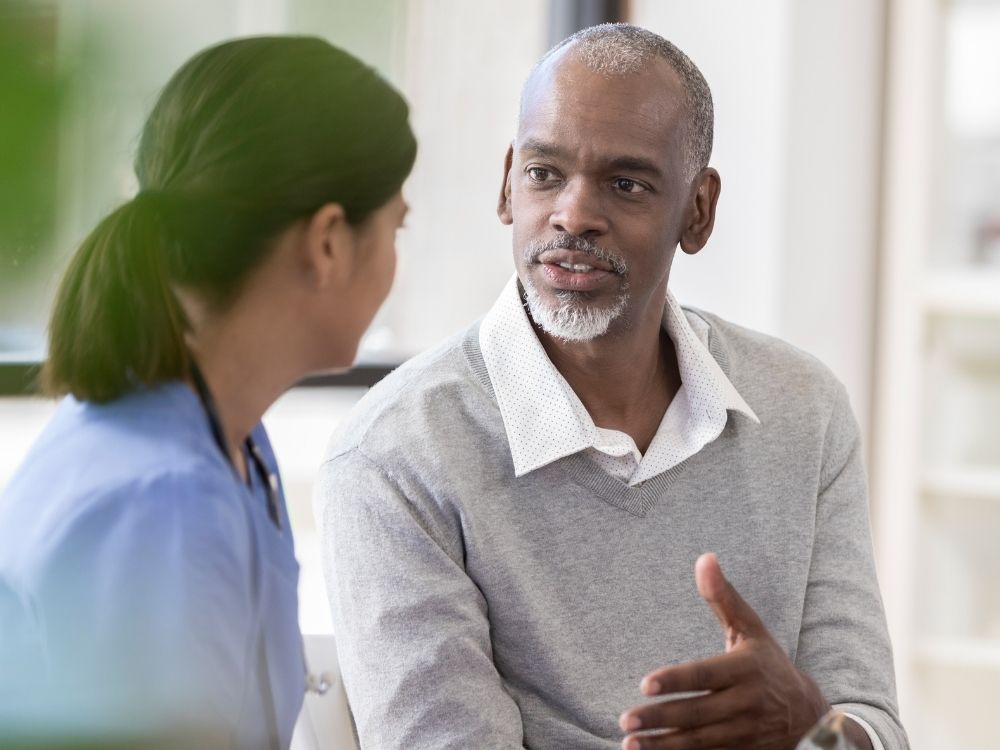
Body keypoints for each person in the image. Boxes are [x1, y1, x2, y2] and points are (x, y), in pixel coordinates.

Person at [317, 23, 907, 750]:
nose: (573, 214)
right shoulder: (396, 455)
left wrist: (817, 729)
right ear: (507, 185)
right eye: (544, 174)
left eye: (625, 184)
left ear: (698, 210)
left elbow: (871, 725)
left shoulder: (802, 410)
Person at [0, 36, 415, 748]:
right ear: (327, 242)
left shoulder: (233, 442)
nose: (397, 261)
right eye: (396, 227)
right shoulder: (163, 507)